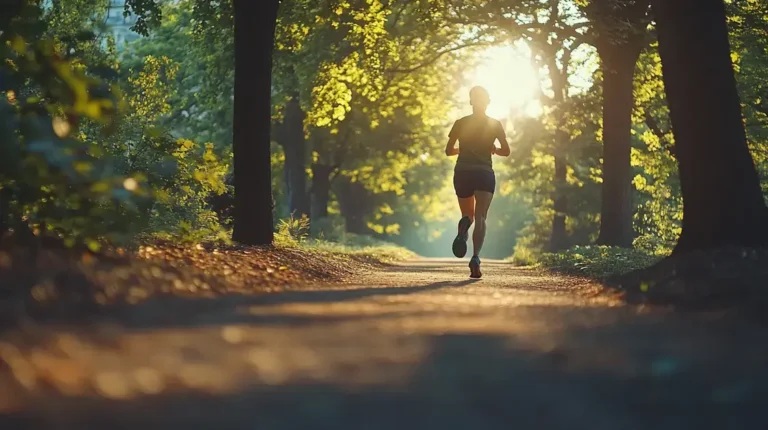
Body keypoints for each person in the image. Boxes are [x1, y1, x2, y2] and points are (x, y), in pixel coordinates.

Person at [444, 86, 510, 279]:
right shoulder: (495, 124)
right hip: (484, 173)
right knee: (481, 216)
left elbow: (448, 150)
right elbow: (506, 151)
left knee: (468, 215)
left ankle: (464, 227)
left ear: (471, 101)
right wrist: (493, 149)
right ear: (488, 101)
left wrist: (462, 151)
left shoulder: (460, 123)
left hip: (463, 171)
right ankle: (475, 258)